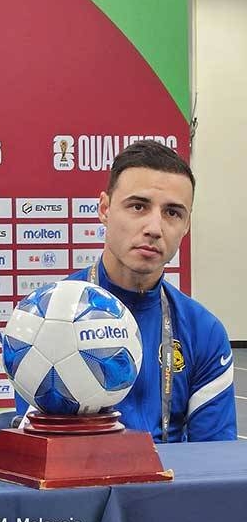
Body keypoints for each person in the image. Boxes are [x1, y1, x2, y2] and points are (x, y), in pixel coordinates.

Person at [16, 139, 236, 442]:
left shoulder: (204, 332)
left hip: (172, 474)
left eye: (172, 213)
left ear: (186, 225)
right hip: (79, 472)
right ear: (104, 209)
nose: (154, 228)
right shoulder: (46, 317)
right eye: (138, 206)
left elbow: (215, 459)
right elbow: (43, 450)